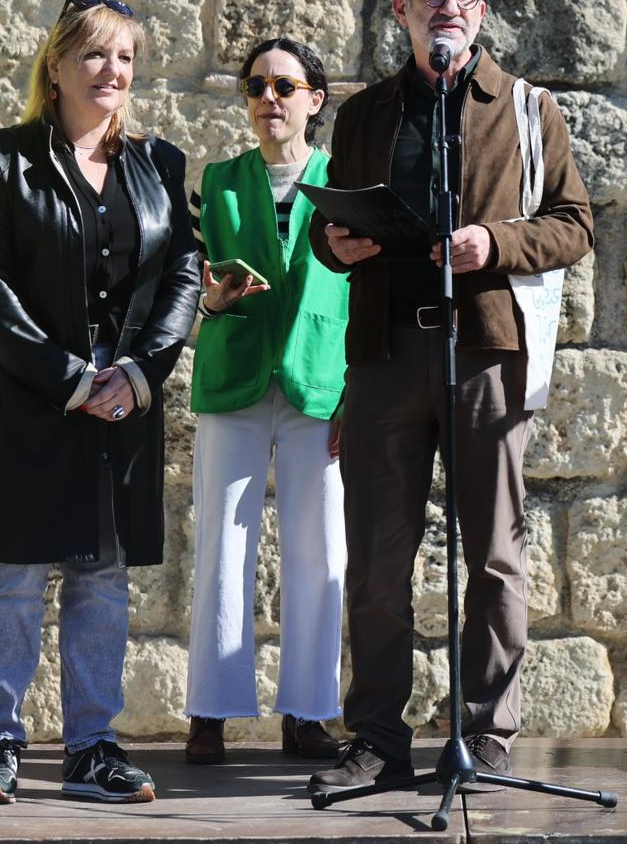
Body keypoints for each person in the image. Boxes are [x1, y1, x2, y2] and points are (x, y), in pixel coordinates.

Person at [305, 0, 594, 793]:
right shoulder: (360, 116)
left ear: (481, 9)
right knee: (377, 557)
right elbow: (329, 237)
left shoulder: (528, 108)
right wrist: (337, 243)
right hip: (387, 355)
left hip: (486, 353)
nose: (448, 9)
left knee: (496, 554)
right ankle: (379, 740)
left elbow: (575, 224)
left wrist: (495, 243)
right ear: (401, 9)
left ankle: (487, 733)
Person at [0, 0, 199, 804]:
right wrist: (68, 378)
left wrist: (138, 373)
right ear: (54, 68)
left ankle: (93, 747)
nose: (112, 71)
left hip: (124, 402)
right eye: (94, 55)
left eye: (125, 57)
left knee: (103, 576)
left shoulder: (158, 164)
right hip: (28, 399)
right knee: (13, 579)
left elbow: (182, 276)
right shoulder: (0, 159)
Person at [181, 37, 348, 764]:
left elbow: (367, 293)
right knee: (222, 542)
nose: (268, 100)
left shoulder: (345, 185)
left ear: (315, 97)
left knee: (321, 550)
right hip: (235, 378)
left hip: (322, 383)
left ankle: (309, 712)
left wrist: (361, 390)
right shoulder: (215, 183)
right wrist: (210, 303)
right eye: (255, 87)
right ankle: (211, 712)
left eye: (285, 85)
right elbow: (189, 287)